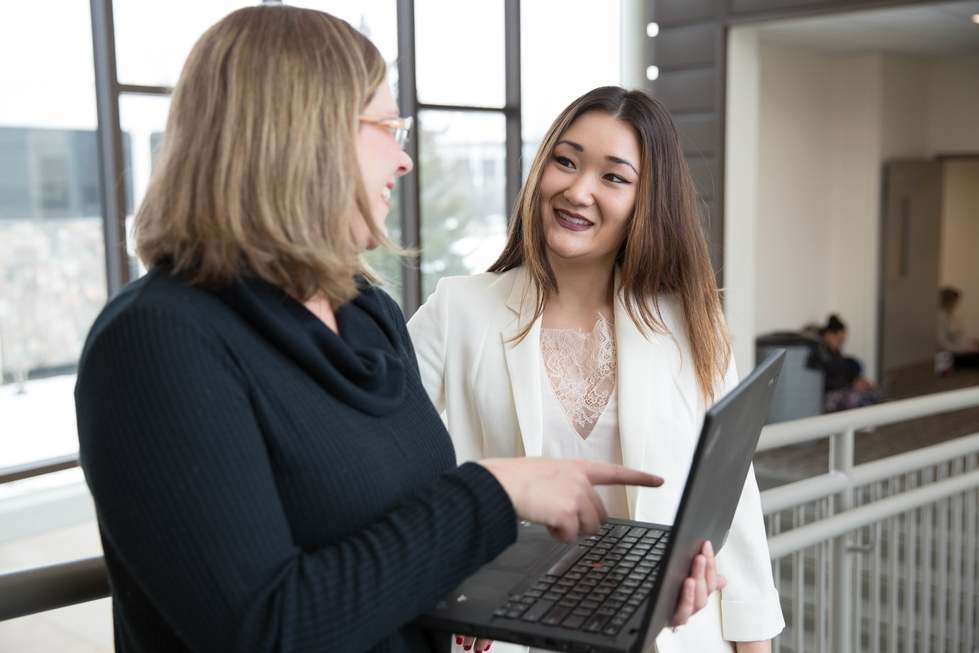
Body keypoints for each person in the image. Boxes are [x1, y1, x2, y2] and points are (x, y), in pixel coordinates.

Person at [74, 8, 717, 653]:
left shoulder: (363, 313)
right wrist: (496, 491)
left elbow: (404, 551)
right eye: (386, 127)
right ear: (301, 136)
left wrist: (630, 589)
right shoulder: (156, 342)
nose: (404, 159)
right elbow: (265, 630)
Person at [408, 87, 784, 653]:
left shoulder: (690, 324)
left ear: (646, 200)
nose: (577, 190)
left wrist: (754, 644)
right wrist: (449, 578)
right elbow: (383, 459)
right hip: (510, 634)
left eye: (613, 177)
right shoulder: (459, 309)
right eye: (565, 160)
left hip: (670, 634)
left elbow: (735, 497)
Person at [814, 314, 880, 412]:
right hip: (828, 395)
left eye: (842, 340)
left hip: (843, 389)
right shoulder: (820, 353)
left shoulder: (835, 353)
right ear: (828, 335)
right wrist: (851, 384)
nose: (840, 343)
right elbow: (824, 381)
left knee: (873, 392)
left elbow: (843, 372)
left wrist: (858, 380)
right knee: (856, 398)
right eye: (838, 339)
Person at [937, 287, 979, 370]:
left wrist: (971, 343)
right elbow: (944, 344)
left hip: (960, 351)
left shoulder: (950, 315)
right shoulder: (939, 317)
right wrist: (967, 349)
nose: (956, 304)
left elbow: (958, 336)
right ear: (947, 300)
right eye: (954, 301)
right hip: (949, 356)